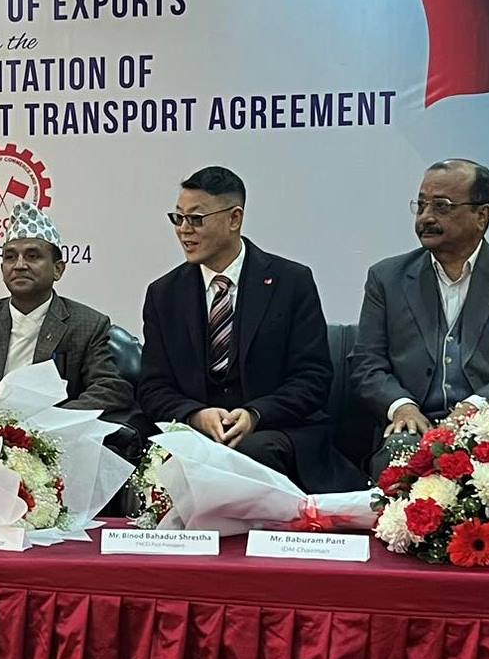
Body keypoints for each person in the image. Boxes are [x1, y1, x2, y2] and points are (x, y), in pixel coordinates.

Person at [136, 166, 359, 492]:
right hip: (195, 431)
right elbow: (153, 386)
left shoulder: (290, 282)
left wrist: (255, 414)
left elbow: (313, 378)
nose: (184, 230)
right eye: (178, 218)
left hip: (274, 428)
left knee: (252, 453)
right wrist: (196, 415)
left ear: (234, 218)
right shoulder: (164, 294)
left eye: (196, 219)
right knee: (167, 457)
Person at [350, 160, 489, 476]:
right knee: (400, 452)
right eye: (421, 205)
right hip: (417, 426)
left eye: (442, 206)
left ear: (482, 215)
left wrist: (474, 407)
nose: (426, 217)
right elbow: (366, 364)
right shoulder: (387, 277)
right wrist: (401, 406)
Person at [0, 201, 131, 474]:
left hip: (51, 438)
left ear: (58, 269)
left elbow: (110, 387)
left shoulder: (87, 324)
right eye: (10, 257)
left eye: (33, 256)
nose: (19, 265)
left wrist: (46, 424)